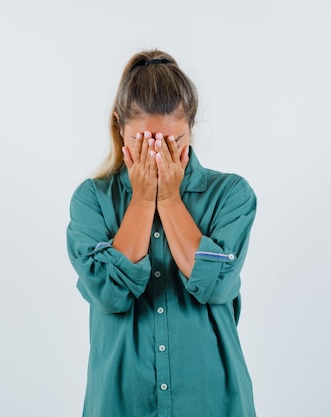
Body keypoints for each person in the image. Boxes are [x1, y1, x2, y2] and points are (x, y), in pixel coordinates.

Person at [66, 49, 257, 417]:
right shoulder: (92, 200)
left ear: (191, 130)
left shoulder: (231, 195)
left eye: (172, 142)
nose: (160, 155)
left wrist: (168, 199)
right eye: (145, 141)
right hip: (120, 402)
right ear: (119, 126)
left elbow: (216, 284)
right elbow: (109, 293)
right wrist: (141, 200)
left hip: (212, 401)